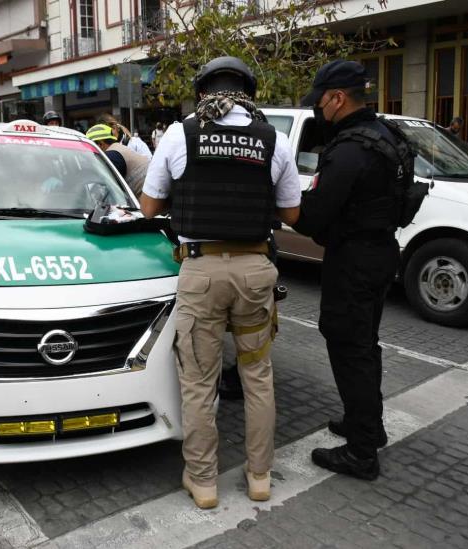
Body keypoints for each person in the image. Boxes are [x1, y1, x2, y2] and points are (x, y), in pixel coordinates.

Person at [140, 56, 301, 509]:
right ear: (247, 91)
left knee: (198, 382)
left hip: (201, 272)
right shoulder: (275, 139)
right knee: (257, 377)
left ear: (203, 90)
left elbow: (150, 207)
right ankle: (260, 477)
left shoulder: (180, 133)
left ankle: (204, 481)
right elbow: (291, 214)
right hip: (255, 273)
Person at [294, 60, 408, 481]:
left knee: (349, 347)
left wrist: (288, 206)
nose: (318, 111)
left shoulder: (348, 149)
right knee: (365, 344)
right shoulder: (386, 137)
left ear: (337, 98)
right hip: (381, 253)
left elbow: (312, 218)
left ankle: (361, 452)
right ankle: (367, 425)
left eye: (320, 102)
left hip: (354, 260)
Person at [86, 124, 149, 196]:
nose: (91, 152)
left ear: (100, 144)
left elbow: (109, 189)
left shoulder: (111, 156)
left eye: (90, 148)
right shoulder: (118, 148)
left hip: (147, 199)